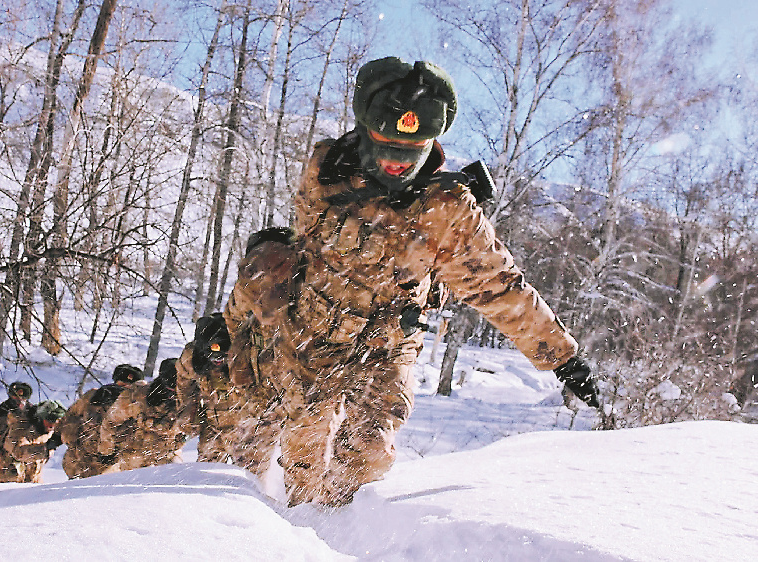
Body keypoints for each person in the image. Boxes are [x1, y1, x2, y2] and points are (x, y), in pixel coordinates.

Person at [224, 56, 600, 507]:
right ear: (366, 129)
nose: (396, 161)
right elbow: (306, 236)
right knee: (304, 461)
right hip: (313, 339)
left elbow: (499, 286)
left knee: (365, 459)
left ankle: (340, 532)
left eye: (413, 146)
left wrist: (562, 357)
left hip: (385, 349)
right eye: (386, 143)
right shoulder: (326, 169)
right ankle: (290, 528)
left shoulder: (447, 207)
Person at [176, 313, 280, 470]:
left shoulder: (250, 353)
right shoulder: (191, 358)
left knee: (251, 477)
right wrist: (189, 414)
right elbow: (184, 384)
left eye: (223, 353)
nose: (218, 359)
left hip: (252, 428)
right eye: (213, 352)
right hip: (214, 425)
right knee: (205, 473)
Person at [58, 364, 144, 479]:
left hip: (80, 463)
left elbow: (68, 422)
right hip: (108, 468)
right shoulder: (136, 404)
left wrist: (73, 444)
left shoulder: (93, 395)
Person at [97, 363, 186, 472]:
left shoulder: (189, 398)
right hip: (135, 456)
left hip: (168, 455)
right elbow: (111, 421)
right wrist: (106, 451)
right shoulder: (136, 396)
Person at [0, 400, 67, 483]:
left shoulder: (50, 430)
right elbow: (18, 452)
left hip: (31, 478)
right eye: (49, 420)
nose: (52, 425)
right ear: (40, 418)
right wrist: (47, 447)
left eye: (56, 421)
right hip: (4, 479)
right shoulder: (21, 427)